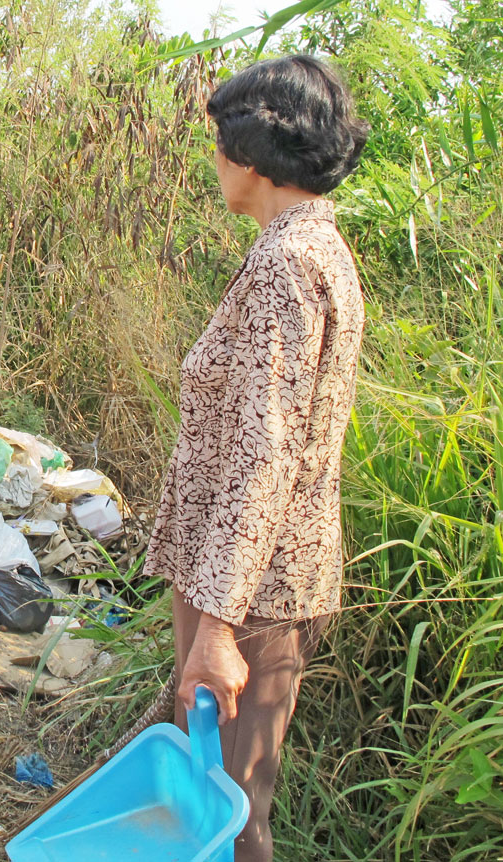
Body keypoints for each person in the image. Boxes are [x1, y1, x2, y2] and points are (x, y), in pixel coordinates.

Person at [142, 55, 368, 862]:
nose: (215, 164)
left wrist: (219, 628)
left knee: (226, 820)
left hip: (254, 593)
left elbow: (265, 454)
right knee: (218, 805)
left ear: (250, 153)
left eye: (217, 143)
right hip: (255, 579)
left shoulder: (285, 266)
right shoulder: (316, 248)